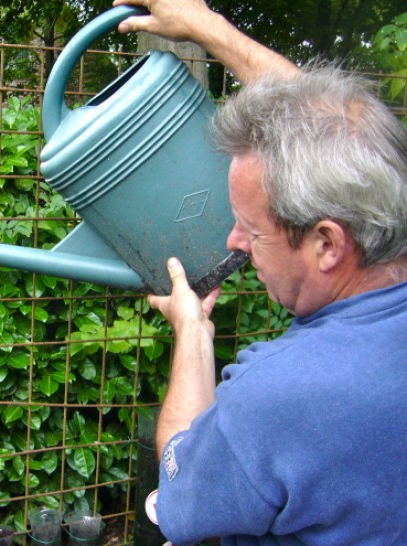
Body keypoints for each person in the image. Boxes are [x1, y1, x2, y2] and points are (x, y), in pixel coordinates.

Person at [113, 0, 407, 544]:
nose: (234, 242)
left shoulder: (280, 399)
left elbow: (180, 493)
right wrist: (205, 27)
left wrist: (192, 335)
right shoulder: (383, 207)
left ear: (326, 244)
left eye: (253, 230)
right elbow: (340, 129)